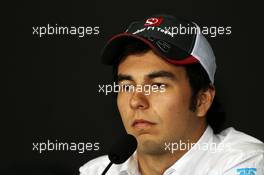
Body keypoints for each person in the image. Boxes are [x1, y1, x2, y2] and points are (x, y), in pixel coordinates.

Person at [79, 14, 264, 175]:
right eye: (127, 86)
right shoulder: (96, 171)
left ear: (202, 100)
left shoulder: (246, 162)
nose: (136, 101)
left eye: (158, 85)